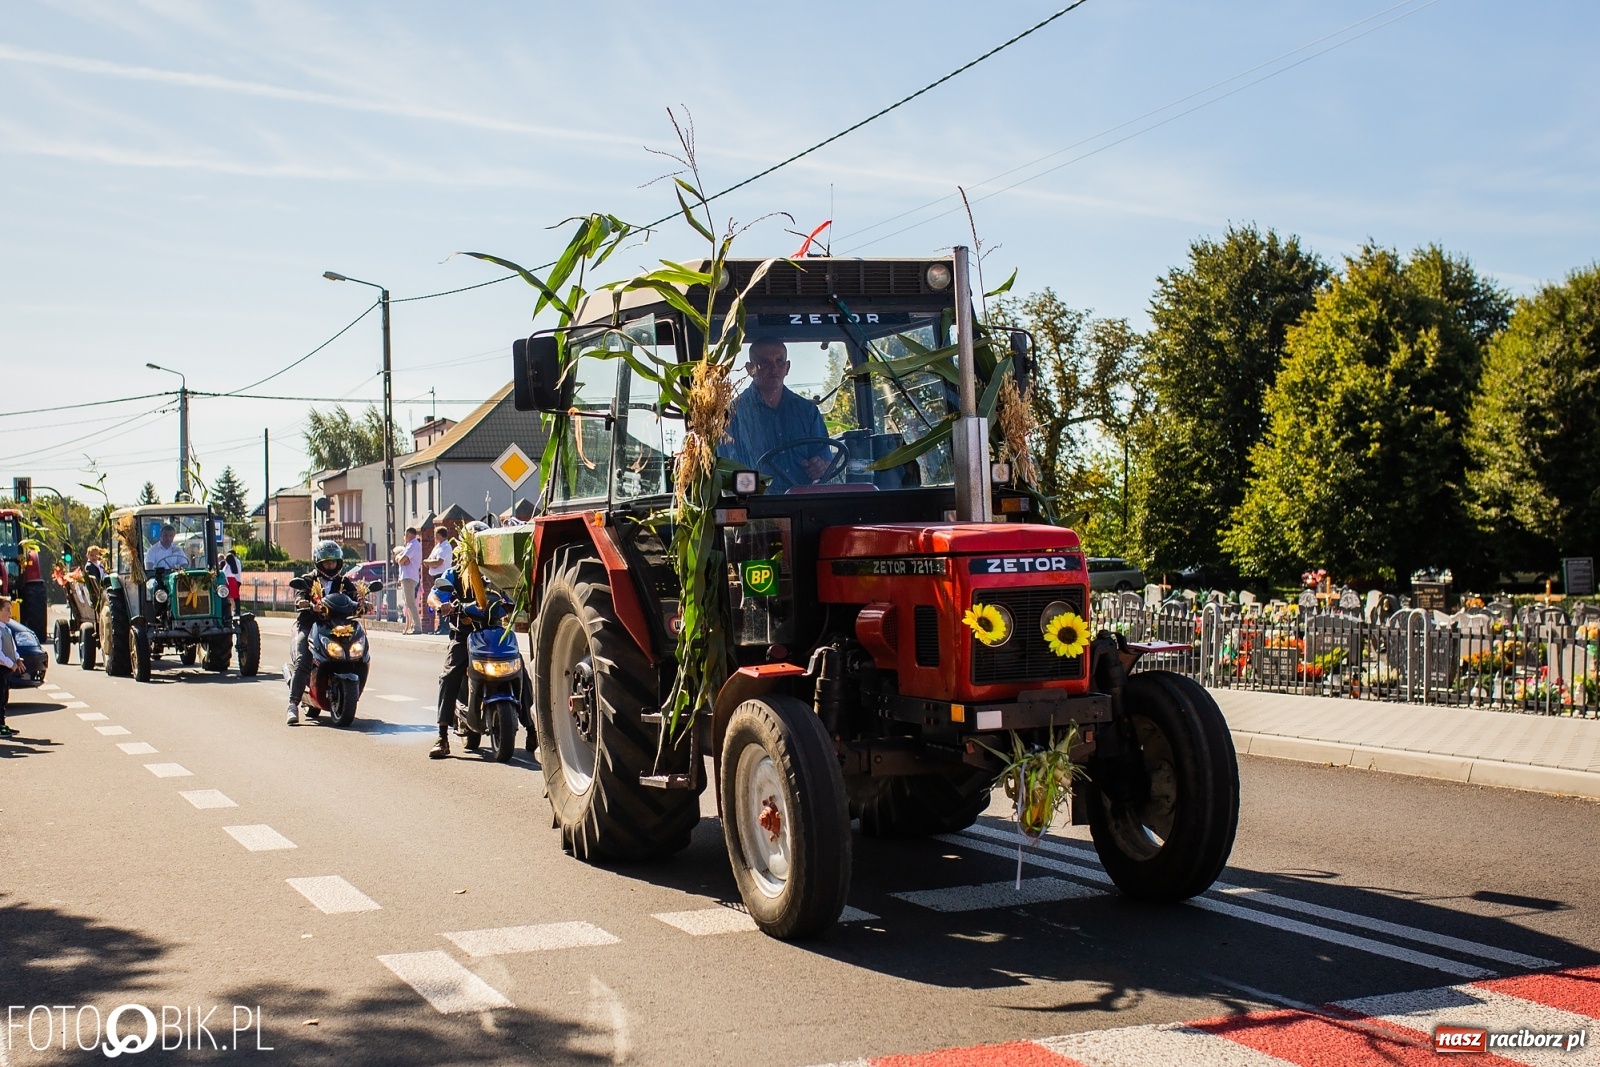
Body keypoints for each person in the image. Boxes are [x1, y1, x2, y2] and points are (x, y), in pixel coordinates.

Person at [723, 340, 831, 486]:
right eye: (765, 363)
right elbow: (727, 470)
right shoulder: (732, 414)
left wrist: (819, 466)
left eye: (779, 361)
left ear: (787, 367)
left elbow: (825, 460)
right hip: (755, 497)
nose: (774, 368)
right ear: (750, 369)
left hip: (803, 497)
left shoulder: (808, 411)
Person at [285, 540, 363, 726]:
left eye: (333, 562)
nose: (330, 566)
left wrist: (363, 603)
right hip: (310, 625)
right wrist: (304, 603)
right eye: (327, 562)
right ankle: (292, 705)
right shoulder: (308, 580)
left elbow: (355, 597)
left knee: (359, 653)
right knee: (303, 659)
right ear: (318, 563)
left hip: (337, 626)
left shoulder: (344, 582)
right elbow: (300, 596)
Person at [425, 523, 483, 759]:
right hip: (465, 634)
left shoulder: (495, 572)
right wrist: (441, 605)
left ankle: (532, 728)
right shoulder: (454, 573)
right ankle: (442, 736)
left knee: (519, 668)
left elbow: (510, 592)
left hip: (492, 633)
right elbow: (433, 596)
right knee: (449, 675)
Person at [424, 526, 453, 634]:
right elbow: (431, 560)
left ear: (440, 535)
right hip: (436, 576)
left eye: (436, 534)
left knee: (443, 600)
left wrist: (428, 562)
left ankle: (445, 626)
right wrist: (428, 562)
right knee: (437, 599)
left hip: (443, 576)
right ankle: (440, 626)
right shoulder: (438, 546)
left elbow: (438, 562)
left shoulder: (446, 546)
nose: (434, 536)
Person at [0, 596, 22, 737]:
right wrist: (11, 664)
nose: (10, 613)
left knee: (4, 698)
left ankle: (2, 724)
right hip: (1, 669)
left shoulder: (6, 629)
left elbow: (12, 648)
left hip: (6, 671)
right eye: (7, 610)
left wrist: (17, 659)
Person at [396, 527, 423, 634]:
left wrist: (401, 559)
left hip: (409, 577)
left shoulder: (413, 545)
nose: (404, 537)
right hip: (407, 577)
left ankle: (417, 627)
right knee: (408, 603)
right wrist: (401, 559)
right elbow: (401, 559)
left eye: (405, 534)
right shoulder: (409, 545)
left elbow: (402, 560)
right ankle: (412, 626)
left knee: (410, 603)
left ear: (408, 534)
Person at [220, 549, 243, 619]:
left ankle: (232, 610)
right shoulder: (233, 565)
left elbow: (224, 573)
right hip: (233, 581)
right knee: (234, 597)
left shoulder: (228, 566)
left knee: (229, 597)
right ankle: (234, 610)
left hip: (229, 581)